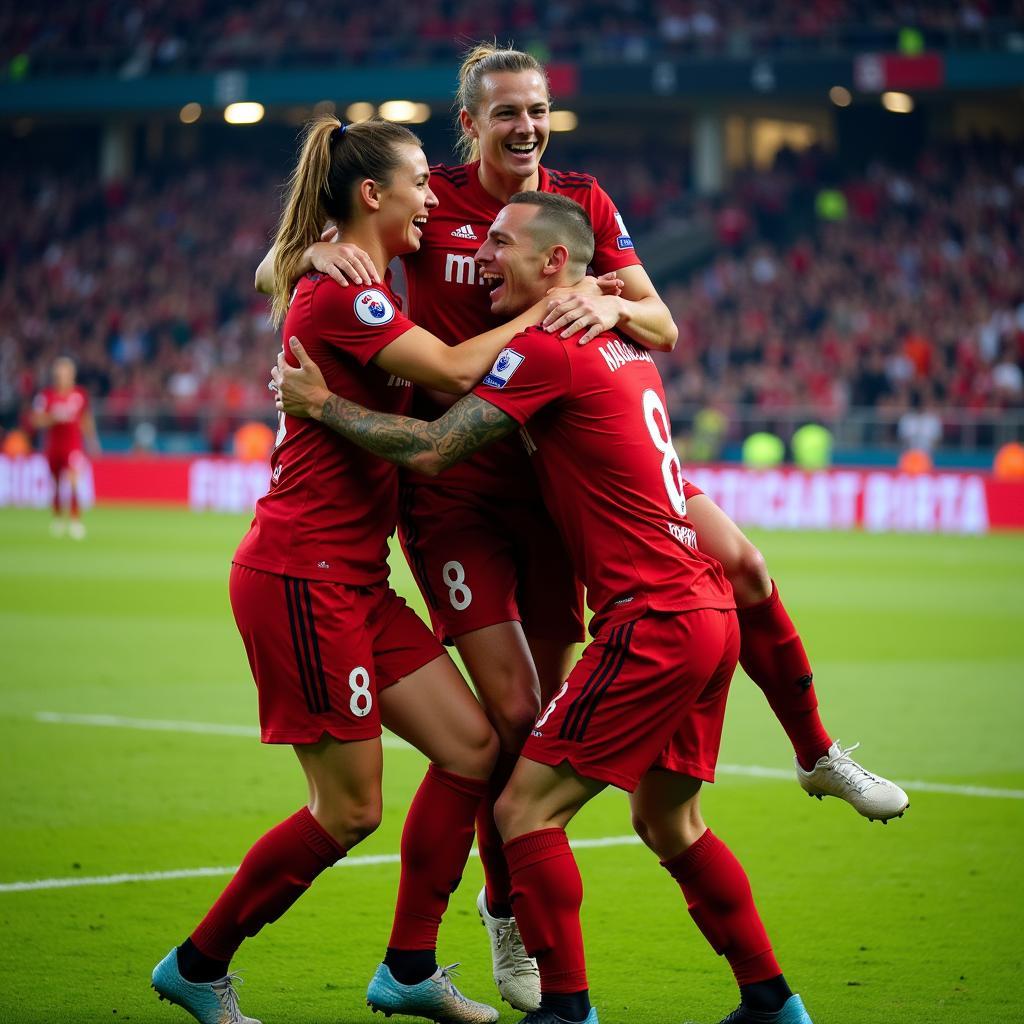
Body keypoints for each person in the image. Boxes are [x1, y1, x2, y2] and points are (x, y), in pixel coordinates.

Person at [258, 42, 905, 1010]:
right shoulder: (422, 200)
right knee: (518, 722)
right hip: (463, 493)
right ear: (466, 123)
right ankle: (502, 918)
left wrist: (596, 294)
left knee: (742, 563)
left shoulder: (579, 205)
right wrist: (310, 251)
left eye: (537, 109)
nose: (525, 126)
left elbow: (663, 323)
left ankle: (814, 752)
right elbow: (300, 263)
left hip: (561, 471)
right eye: (505, 112)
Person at [152, 117, 594, 1024]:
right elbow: (457, 365)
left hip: (354, 576)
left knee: (473, 749)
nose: (433, 196)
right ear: (370, 196)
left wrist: (304, 258)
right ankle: (199, 965)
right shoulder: (346, 294)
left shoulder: (362, 277)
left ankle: (409, 965)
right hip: (301, 575)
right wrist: (559, 302)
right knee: (349, 811)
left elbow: (284, 274)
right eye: (416, 186)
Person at [31, 356, 99, 539]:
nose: (63, 376)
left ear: (72, 374)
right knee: (56, 484)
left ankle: (76, 521)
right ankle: (58, 518)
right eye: (60, 372)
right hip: (53, 446)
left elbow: (86, 419)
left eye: (66, 372)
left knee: (74, 482)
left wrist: (92, 441)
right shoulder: (45, 396)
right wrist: (53, 417)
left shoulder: (80, 395)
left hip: (73, 445)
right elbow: (35, 420)